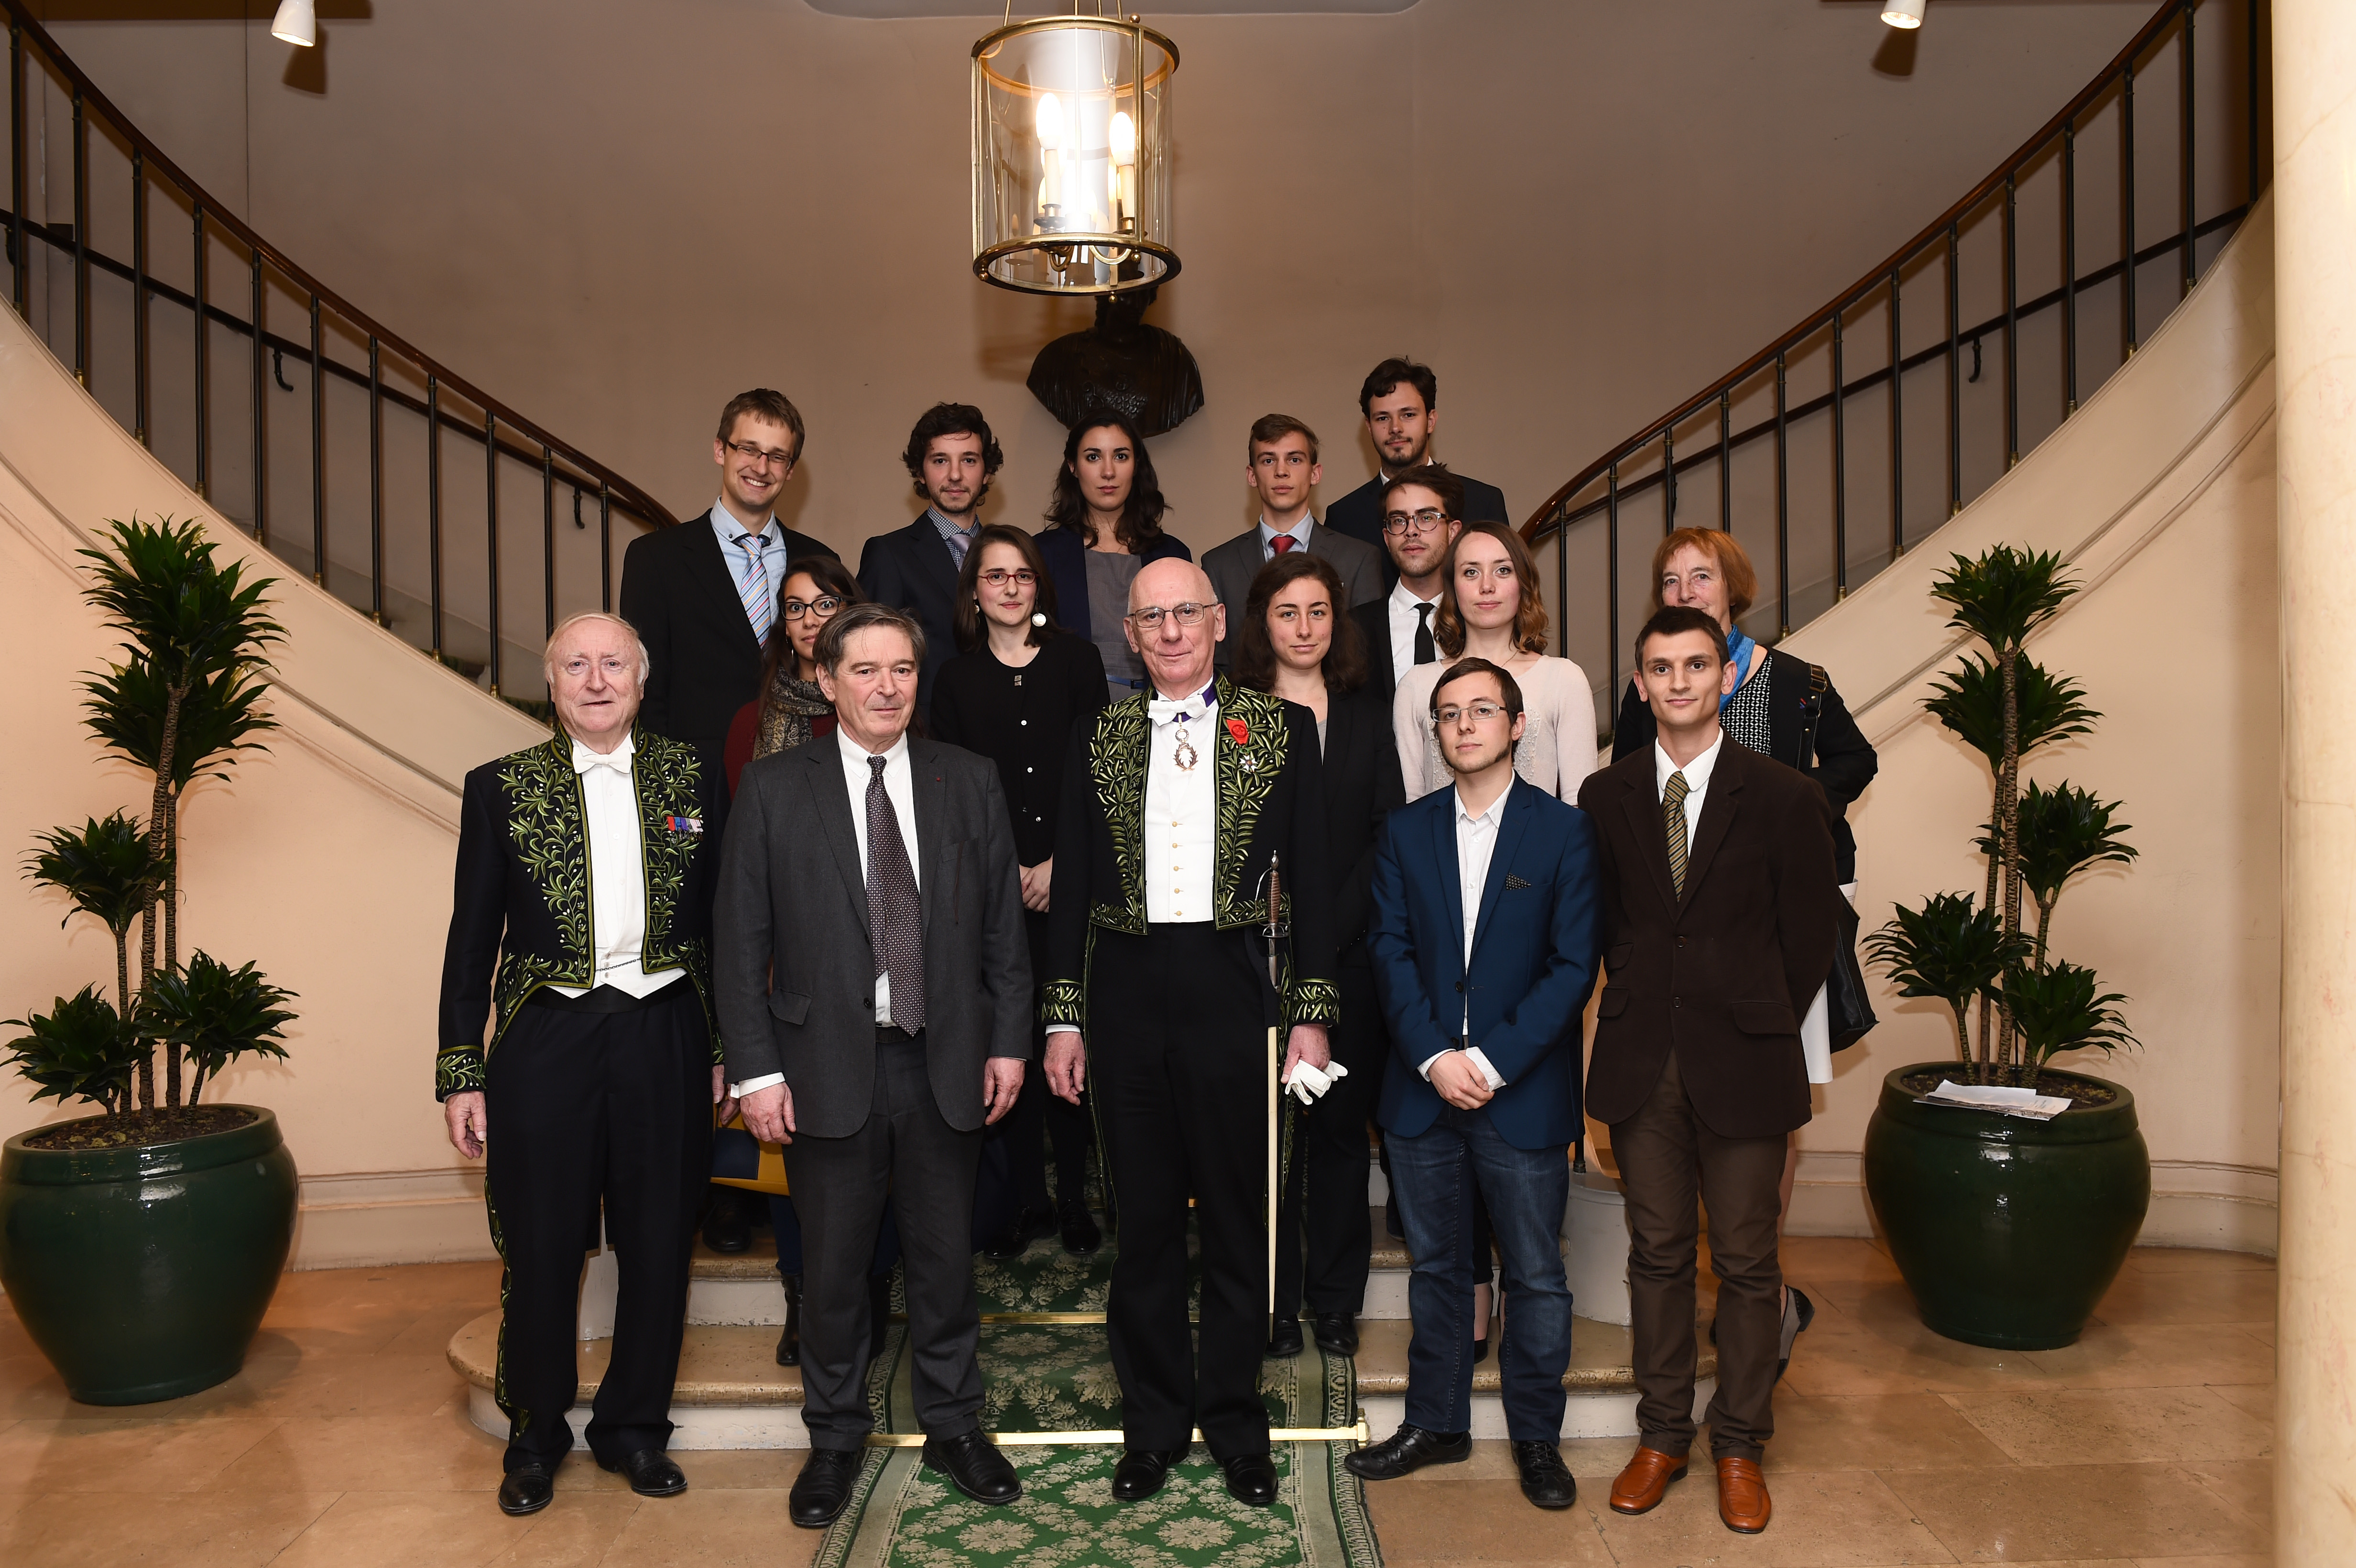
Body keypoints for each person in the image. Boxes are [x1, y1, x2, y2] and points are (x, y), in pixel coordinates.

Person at [713, 602, 1034, 1529]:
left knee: (943, 1264)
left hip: (945, 1061)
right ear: (826, 678)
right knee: (835, 1272)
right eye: (865, 670)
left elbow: (1002, 933)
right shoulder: (776, 788)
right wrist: (757, 1071)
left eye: (901, 669)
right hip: (821, 1068)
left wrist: (1009, 1038)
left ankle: (954, 1424)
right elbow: (740, 944)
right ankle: (834, 1435)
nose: (886, 686)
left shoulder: (966, 780)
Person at [1040, 559, 1339, 1509]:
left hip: (1234, 985)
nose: (1169, 629)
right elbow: (1073, 890)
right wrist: (1061, 1015)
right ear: (1128, 634)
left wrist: (1312, 1018)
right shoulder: (1096, 732)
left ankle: (1236, 1423)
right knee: (1144, 1225)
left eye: (1186, 612)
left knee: (1242, 1220)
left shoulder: (1280, 729)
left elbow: (1322, 885)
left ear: (1217, 621)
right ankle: (1155, 1423)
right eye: (1150, 617)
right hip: (1125, 990)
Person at [436, 612, 731, 1519]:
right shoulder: (499, 788)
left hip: (667, 1029)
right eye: (576, 664)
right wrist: (460, 1067)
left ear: (641, 681)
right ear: (551, 683)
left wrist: (728, 1050)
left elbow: (725, 922)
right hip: (545, 1037)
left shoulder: (694, 776)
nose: (596, 679)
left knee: (655, 1241)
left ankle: (635, 1428)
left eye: (613, 664)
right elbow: (470, 935)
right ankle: (535, 1436)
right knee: (542, 1244)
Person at [1576, 606, 1841, 1538]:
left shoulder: (1782, 795)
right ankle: (1661, 1436)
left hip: (1747, 1062)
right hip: (1642, 1061)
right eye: (1661, 667)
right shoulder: (1603, 795)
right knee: (1655, 1256)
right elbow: (1604, 925)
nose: (1679, 680)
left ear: (1724, 678)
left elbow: (1811, 934)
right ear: (1640, 684)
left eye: (1697, 664)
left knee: (1745, 1260)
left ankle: (1737, 1441)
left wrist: (1752, 1007)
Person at [1610, 525, 1877, 1346]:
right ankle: (1706, 1276)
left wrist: (1784, 807)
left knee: (1768, 1098)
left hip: (1775, 920)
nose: (1686, 590)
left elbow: (1855, 761)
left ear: (1732, 589)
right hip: (1682, 924)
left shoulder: (1793, 681)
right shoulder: (1650, 688)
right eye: (1670, 579)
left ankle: (1756, 1277)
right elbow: (1623, 791)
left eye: (1701, 576)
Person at [1350, 656, 1602, 1510]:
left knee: (1534, 1275)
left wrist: (1489, 1064)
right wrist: (1432, 1057)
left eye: (1481, 710)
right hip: (1422, 1091)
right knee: (1436, 1271)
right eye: (1448, 713)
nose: (1463, 724)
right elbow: (1386, 951)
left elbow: (1572, 969)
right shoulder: (1405, 830)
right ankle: (1436, 1423)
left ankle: (1536, 1438)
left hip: (1519, 1093)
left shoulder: (1563, 832)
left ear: (1516, 724)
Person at [1230, 551, 1404, 1359]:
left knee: (1336, 1140)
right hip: (1246, 961)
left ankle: (1334, 1303)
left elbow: (1385, 831)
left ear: (1337, 622)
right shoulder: (1232, 715)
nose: (1303, 628)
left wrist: (1326, 934)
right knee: (1259, 1144)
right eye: (1286, 612)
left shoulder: (1369, 714)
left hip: (1348, 958)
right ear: (1261, 624)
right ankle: (1271, 1300)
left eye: (1318, 612)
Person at [930, 524, 1111, 1260]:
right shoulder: (953, 679)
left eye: (1022, 576)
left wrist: (1061, 862)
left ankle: (1074, 1198)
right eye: (994, 576)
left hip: (1072, 885)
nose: (1009, 587)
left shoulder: (1079, 661)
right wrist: (1009, 873)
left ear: (1040, 587)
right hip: (993, 894)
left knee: (1067, 1041)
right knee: (1009, 1046)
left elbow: (1103, 771)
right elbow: (947, 796)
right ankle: (1024, 1201)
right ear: (974, 590)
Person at [711, 558, 862, 1358]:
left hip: (870, 966)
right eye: (795, 606)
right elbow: (741, 860)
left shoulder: (876, 709)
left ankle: (863, 1292)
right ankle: (800, 1298)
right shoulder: (750, 723)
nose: (809, 619)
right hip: (785, 970)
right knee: (788, 1144)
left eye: (825, 603)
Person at [620, 389, 839, 769]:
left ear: (790, 469)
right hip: (697, 771)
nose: (761, 466)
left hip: (806, 767)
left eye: (777, 456)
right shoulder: (655, 558)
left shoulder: (820, 560)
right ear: (721, 451)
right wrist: (661, 779)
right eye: (749, 449)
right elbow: (645, 684)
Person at [1395, 517, 1594, 805]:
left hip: (1537, 848)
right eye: (1471, 572)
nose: (1487, 586)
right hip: (1439, 849)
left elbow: (1580, 806)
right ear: (1453, 587)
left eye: (1502, 571)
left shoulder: (1563, 679)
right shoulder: (1416, 684)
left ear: (1523, 583)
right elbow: (1412, 806)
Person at [1033, 407, 1192, 700]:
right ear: (1073, 466)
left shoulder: (1172, 554)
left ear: (1136, 464)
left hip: (1163, 711)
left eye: (1121, 456)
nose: (1108, 471)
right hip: (1072, 714)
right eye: (1093, 457)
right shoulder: (1042, 554)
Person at [1202, 415, 1384, 656]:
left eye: (1295, 460)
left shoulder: (1359, 559)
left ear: (1315, 474)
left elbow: (1367, 656)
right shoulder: (1219, 565)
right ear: (1252, 475)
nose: (1281, 471)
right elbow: (1217, 662)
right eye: (1268, 460)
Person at [1324, 359, 1510, 589]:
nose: (1395, 428)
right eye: (1383, 418)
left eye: (1408, 415)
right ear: (1369, 427)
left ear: (1431, 421)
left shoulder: (1483, 502)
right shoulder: (1344, 517)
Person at [859, 402, 1003, 699]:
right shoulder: (888, 555)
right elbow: (871, 656)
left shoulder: (1009, 554)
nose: (955, 475)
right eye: (940, 461)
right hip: (928, 732)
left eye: (969, 460)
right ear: (920, 472)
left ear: (987, 472)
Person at [1350, 462, 1464, 707]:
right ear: (1386, 538)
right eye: (1399, 520)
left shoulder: (1476, 621)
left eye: (1426, 518)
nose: (1411, 531)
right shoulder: (1352, 628)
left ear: (1453, 531)